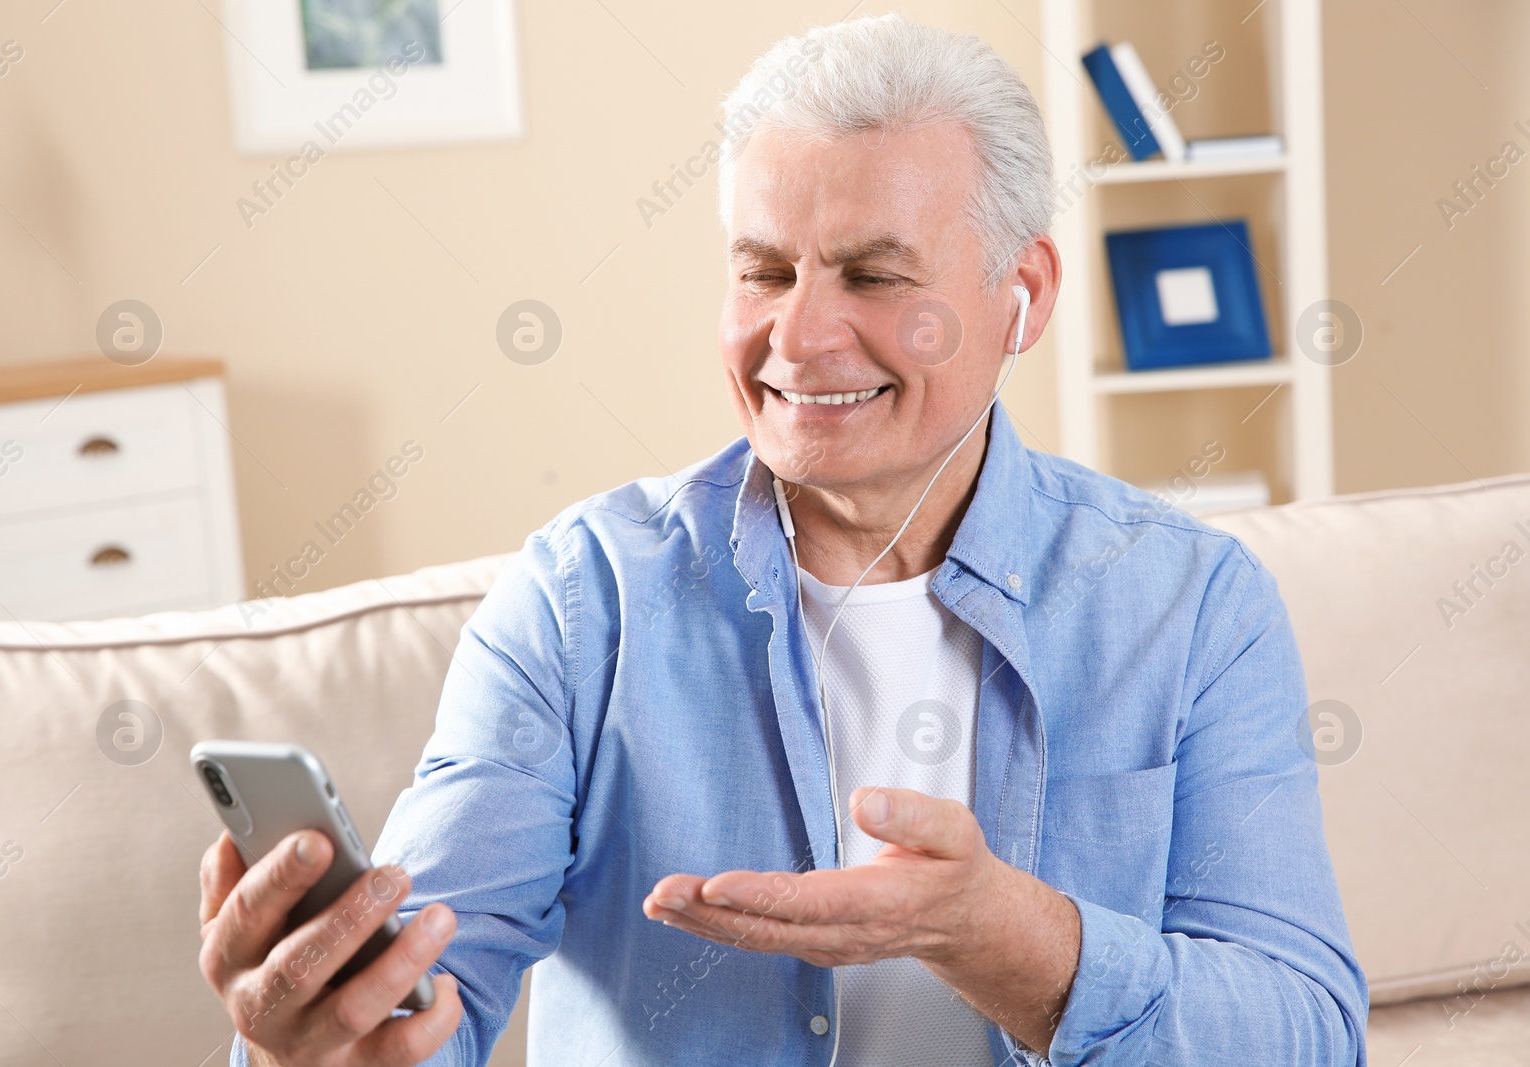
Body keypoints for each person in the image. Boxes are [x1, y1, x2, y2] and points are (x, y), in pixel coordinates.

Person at [198, 14, 1368, 1066]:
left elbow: (1306, 1032)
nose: (796, 336)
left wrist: (1009, 940)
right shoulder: (581, 598)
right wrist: (333, 1043)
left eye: (871, 274)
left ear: (1023, 293)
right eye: (763, 271)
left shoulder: (1190, 601)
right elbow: (431, 985)